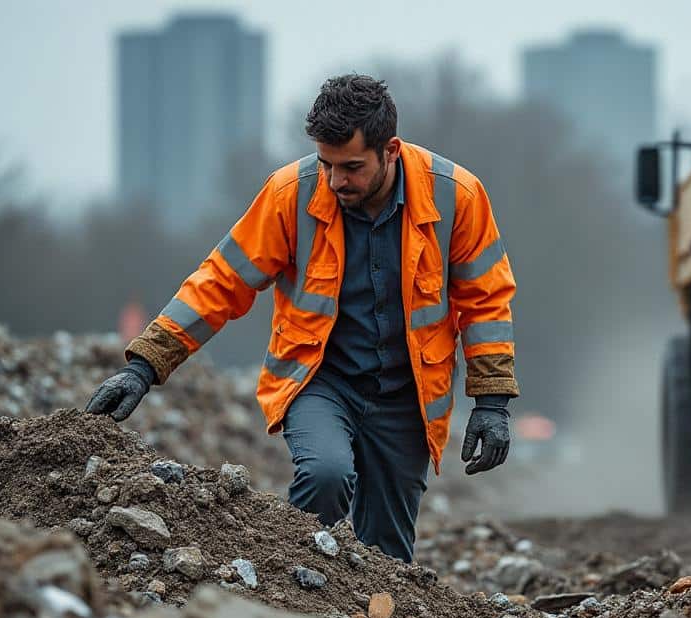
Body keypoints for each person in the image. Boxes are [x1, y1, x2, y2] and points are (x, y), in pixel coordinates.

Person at [86, 74, 518, 562]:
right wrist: (145, 364)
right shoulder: (290, 194)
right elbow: (222, 280)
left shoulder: (457, 196)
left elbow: (486, 299)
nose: (336, 181)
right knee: (325, 475)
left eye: (351, 167)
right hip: (319, 381)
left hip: (408, 396)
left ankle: (372, 613)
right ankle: (289, 583)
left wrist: (492, 402)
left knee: (389, 553)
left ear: (391, 151)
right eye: (326, 164)